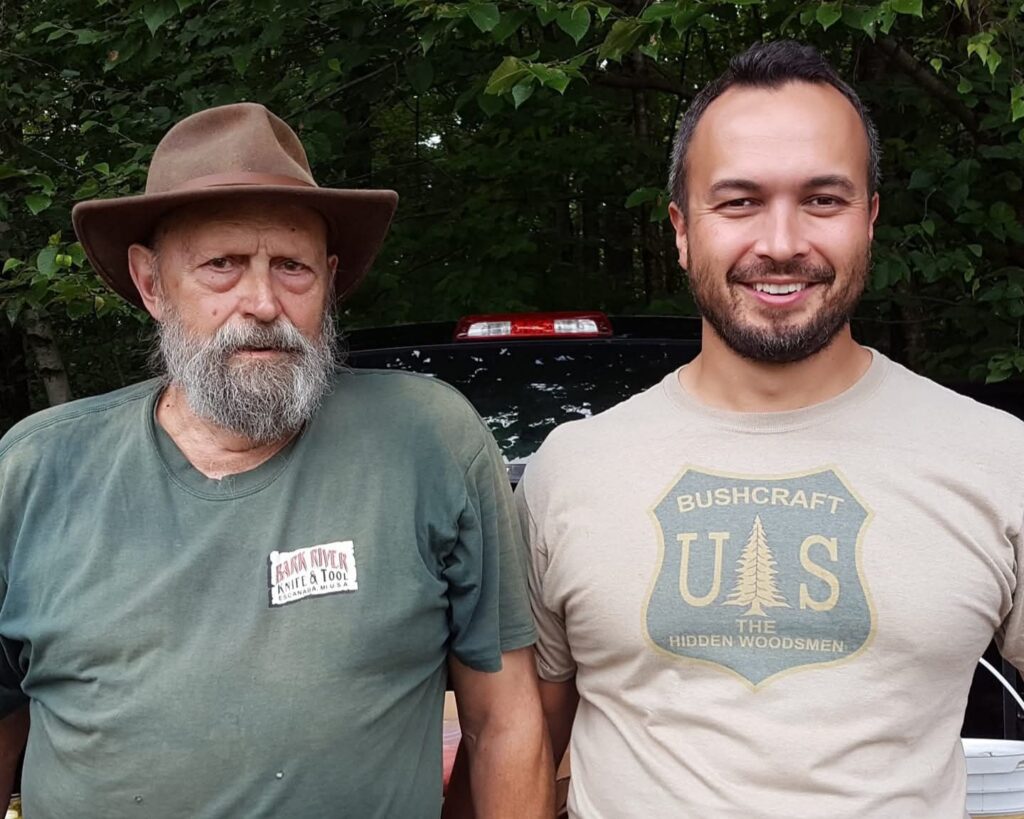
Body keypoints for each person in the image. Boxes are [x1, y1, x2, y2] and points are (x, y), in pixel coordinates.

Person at [0, 102, 552, 818]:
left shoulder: (428, 441)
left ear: (327, 278)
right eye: (222, 265)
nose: (262, 302)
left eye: (290, 267)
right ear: (151, 282)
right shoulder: (36, 469)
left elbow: (504, 720)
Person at [520, 40, 1024, 818]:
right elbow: (521, 747)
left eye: (823, 199)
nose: (782, 242)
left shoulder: (998, 458)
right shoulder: (572, 468)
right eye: (740, 201)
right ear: (682, 229)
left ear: (870, 219)